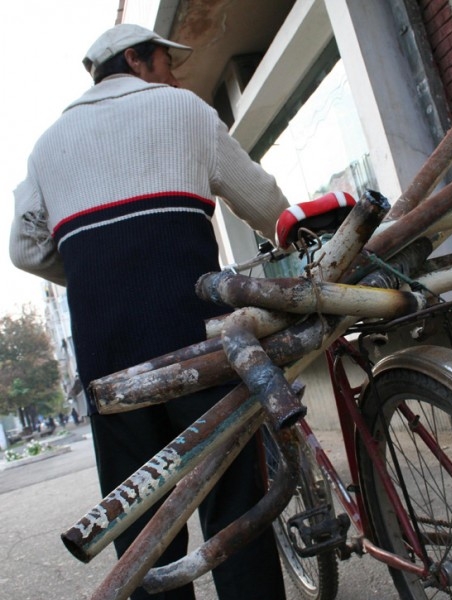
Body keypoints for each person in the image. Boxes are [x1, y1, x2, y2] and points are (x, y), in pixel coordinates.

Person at [9, 23, 289, 600]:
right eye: (166, 61)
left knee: (142, 532)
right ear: (134, 60)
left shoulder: (47, 145)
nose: (174, 74)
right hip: (200, 347)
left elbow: (24, 247)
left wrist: (94, 268)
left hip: (109, 364)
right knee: (235, 509)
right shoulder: (182, 111)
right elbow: (266, 203)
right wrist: (293, 234)